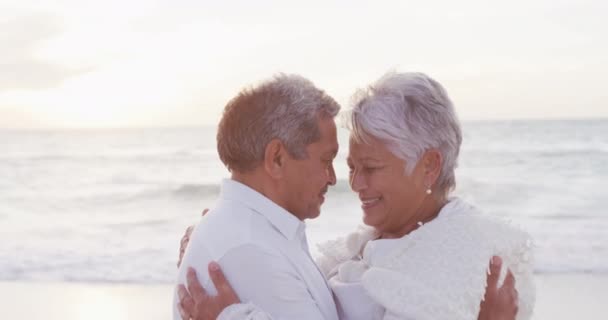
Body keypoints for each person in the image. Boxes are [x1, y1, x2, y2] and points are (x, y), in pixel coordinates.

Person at [175, 73, 533, 320]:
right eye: (349, 166)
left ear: (428, 166)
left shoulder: (459, 260)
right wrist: (230, 240)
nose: (352, 183)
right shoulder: (359, 249)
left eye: (372, 168)